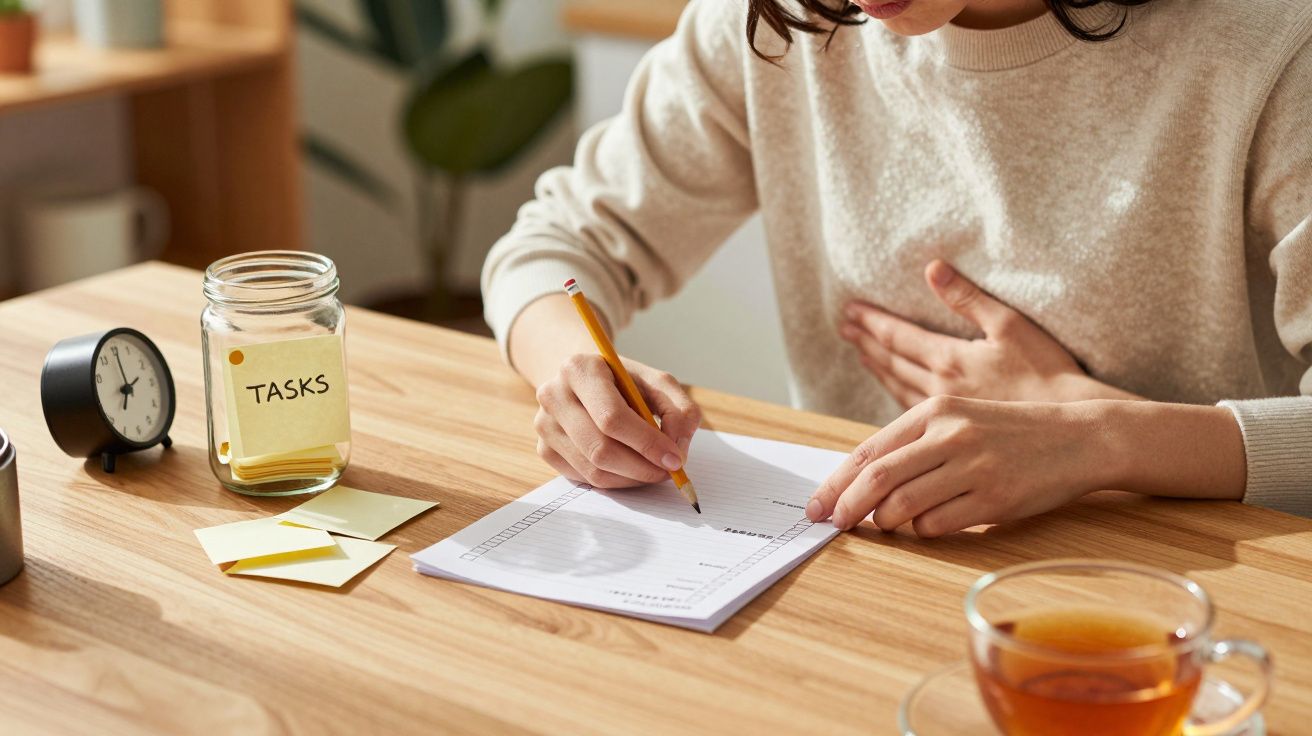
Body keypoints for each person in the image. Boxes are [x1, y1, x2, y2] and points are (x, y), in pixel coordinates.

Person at [481, 0, 1312, 536]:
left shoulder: (1273, 49)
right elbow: (555, 246)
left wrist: (1097, 432)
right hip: (856, 577)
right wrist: (574, 371)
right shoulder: (778, 24)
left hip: (1184, 606)